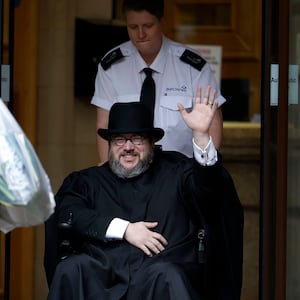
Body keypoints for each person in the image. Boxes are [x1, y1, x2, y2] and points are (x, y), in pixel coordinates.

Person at [46, 88, 242, 299]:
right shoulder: (87, 181)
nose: (128, 147)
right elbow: (68, 212)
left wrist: (201, 136)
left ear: (151, 142)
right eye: (119, 139)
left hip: (159, 276)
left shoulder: (176, 171)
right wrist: (125, 230)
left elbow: (209, 188)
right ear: (110, 145)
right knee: (72, 268)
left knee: (170, 275)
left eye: (137, 138)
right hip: (100, 277)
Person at [91, 0, 226, 163]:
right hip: (127, 173)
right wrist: (109, 179)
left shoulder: (192, 66)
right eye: (133, 27)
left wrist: (203, 173)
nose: (140, 34)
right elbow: (104, 126)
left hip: (181, 172)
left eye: (148, 26)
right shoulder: (112, 67)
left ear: (162, 22)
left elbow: (212, 123)